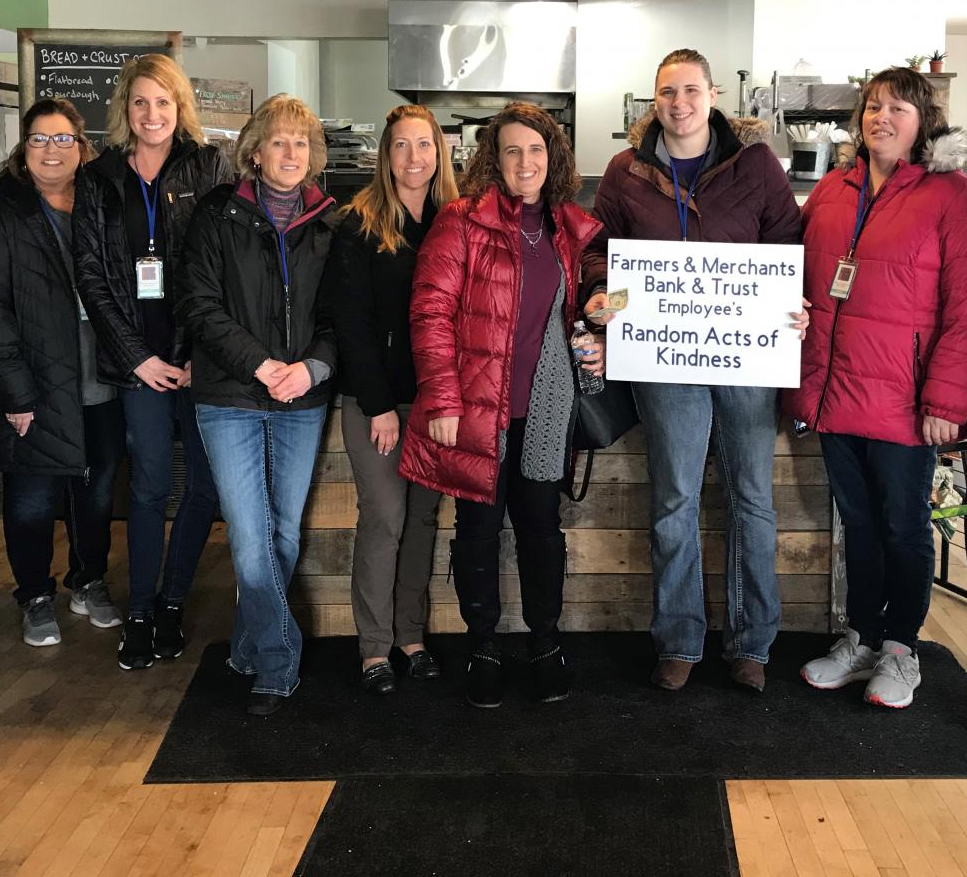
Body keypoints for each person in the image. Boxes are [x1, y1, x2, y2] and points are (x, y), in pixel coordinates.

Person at [580, 48, 803, 693]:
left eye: (691, 91)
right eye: (667, 93)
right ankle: (678, 639)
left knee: (752, 499)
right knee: (675, 498)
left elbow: (788, 242)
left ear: (712, 97)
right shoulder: (626, 171)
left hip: (746, 354)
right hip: (664, 357)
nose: (679, 104)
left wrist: (792, 304)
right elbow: (601, 250)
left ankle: (752, 644)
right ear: (655, 101)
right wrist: (603, 298)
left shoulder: (754, 165)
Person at [788, 67, 967, 710]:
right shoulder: (833, 189)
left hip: (908, 401)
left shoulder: (955, 195)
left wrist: (948, 401)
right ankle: (861, 636)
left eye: (899, 109)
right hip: (837, 390)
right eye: (874, 106)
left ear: (923, 124)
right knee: (856, 523)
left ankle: (902, 649)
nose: (882, 117)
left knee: (903, 526)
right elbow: (796, 274)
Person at [399, 102, 602, 709]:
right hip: (476, 410)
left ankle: (545, 643)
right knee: (477, 532)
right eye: (512, 150)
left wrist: (593, 339)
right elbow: (429, 312)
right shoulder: (462, 221)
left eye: (536, 150)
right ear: (494, 158)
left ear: (554, 158)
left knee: (542, 532)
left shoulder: (570, 229)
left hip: (543, 412)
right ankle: (482, 645)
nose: (525, 161)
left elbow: (579, 312)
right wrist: (441, 395)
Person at [177, 95, 337, 716]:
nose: (291, 153)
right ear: (254, 151)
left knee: (285, 535)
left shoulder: (330, 221)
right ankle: (278, 662)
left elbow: (338, 316)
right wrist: (260, 364)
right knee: (249, 538)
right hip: (229, 397)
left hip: (302, 397)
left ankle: (248, 643)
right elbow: (199, 303)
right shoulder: (217, 215)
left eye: (301, 143)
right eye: (278, 141)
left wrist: (310, 368)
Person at [74, 53, 233, 670]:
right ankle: (139, 608)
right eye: (140, 102)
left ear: (179, 106)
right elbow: (91, 275)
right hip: (136, 361)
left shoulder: (208, 166)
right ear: (124, 108)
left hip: (197, 357)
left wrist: (195, 353)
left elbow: (217, 266)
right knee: (145, 487)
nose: (151, 114)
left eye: (163, 102)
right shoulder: (99, 176)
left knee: (204, 484)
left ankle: (172, 600)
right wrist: (136, 357)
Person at [0, 99, 125, 649]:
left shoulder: (101, 203)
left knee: (96, 489)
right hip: (30, 381)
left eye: (62, 139)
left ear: (82, 146)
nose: (51, 150)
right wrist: (16, 393)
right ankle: (33, 593)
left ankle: (89, 579)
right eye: (38, 139)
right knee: (31, 497)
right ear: (22, 149)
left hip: (97, 372)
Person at [325, 105, 458, 694]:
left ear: (439, 152)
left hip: (436, 403)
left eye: (424, 146)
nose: (414, 159)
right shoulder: (357, 224)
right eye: (401, 147)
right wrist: (378, 405)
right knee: (385, 518)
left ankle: (412, 637)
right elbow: (349, 323)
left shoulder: (454, 222)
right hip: (375, 403)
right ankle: (374, 648)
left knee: (424, 520)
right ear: (386, 155)